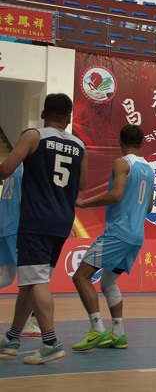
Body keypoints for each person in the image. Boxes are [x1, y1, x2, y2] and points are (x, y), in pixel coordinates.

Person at [0, 93, 88, 364]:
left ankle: (50, 342)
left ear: (43, 113)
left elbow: (5, 170)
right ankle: (12, 337)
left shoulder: (33, 136)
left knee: (35, 281)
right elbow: (82, 184)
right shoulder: (80, 145)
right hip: (62, 221)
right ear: (69, 117)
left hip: (36, 219)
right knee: (31, 281)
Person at [70, 124, 154, 351]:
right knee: (108, 282)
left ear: (120, 141)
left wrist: (85, 203)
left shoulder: (122, 163)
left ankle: (97, 330)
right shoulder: (149, 169)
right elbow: (149, 208)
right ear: (142, 142)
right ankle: (118, 334)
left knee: (80, 277)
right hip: (136, 236)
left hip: (118, 233)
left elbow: (116, 194)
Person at [0, 164, 41, 338]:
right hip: (17, 226)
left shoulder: (12, 167)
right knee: (31, 277)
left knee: (7, 277)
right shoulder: (29, 167)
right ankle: (25, 323)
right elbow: (28, 199)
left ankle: (26, 322)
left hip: (5, 225)